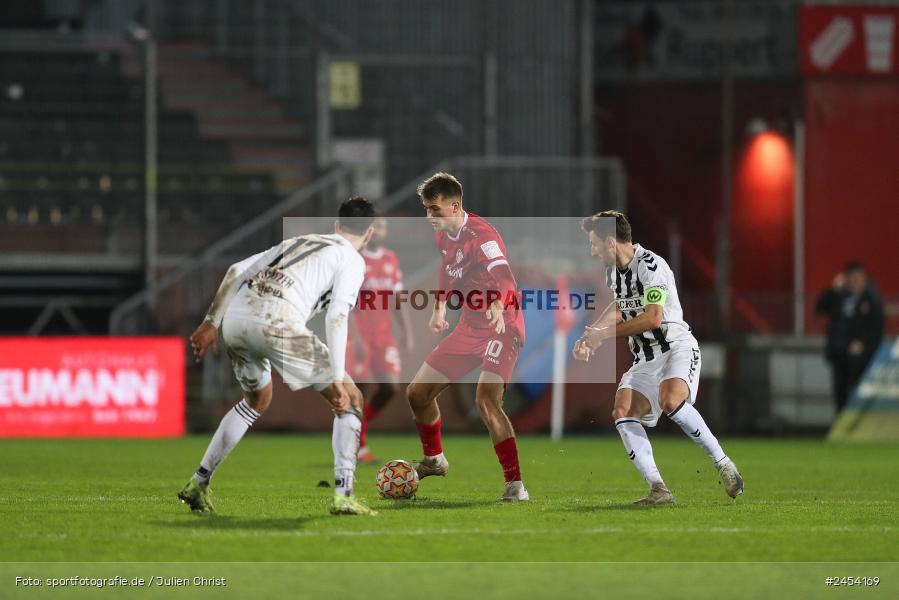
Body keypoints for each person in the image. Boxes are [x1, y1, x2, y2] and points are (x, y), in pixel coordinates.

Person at [178, 197, 377, 516]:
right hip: (278, 322)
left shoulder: (299, 241)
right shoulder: (352, 259)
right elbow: (337, 316)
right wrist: (337, 377)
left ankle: (198, 483)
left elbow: (236, 269)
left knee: (255, 400)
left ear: (337, 226)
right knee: (351, 400)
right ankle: (344, 496)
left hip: (237, 318)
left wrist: (210, 323)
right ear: (368, 235)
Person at [573, 210, 742, 505]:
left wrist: (605, 335)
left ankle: (723, 462)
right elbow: (620, 306)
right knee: (622, 410)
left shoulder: (652, 266)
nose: (592, 250)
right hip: (646, 357)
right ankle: (658, 489)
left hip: (676, 347)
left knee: (671, 400)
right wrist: (592, 336)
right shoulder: (613, 272)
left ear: (611, 242)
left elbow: (653, 318)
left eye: (594, 244)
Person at [406, 172, 529, 502]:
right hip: (469, 327)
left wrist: (500, 307)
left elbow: (505, 277)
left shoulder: (482, 235)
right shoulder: (444, 236)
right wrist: (440, 307)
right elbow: (448, 269)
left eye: (434, 209)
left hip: (503, 324)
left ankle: (515, 485)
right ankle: (434, 460)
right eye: (426, 209)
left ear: (455, 205)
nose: (429, 216)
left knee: (485, 400)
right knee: (417, 393)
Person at [346, 217, 414, 463]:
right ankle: (359, 446)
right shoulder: (355, 259)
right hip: (360, 334)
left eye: (383, 226)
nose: (379, 231)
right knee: (360, 390)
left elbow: (397, 299)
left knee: (390, 387)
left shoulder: (390, 259)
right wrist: (356, 339)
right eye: (376, 226)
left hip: (384, 336)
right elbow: (348, 303)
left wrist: (406, 331)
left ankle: (357, 428)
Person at [816, 262, 885, 412]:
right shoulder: (839, 296)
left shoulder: (871, 299)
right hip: (839, 352)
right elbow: (820, 307)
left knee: (859, 391)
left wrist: (864, 345)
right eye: (852, 278)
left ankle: (858, 427)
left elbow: (877, 327)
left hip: (861, 356)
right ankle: (841, 425)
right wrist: (833, 289)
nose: (855, 282)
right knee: (840, 391)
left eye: (858, 278)